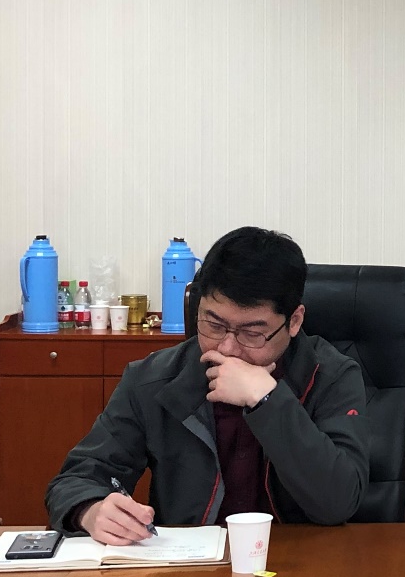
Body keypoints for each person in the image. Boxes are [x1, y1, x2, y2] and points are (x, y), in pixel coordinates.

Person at [46, 227, 371, 544]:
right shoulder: (154, 378)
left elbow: (339, 502)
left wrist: (267, 400)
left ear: (294, 321)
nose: (227, 348)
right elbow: (77, 479)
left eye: (252, 333)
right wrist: (90, 510)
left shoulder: (331, 376)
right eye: (214, 325)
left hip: (302, 562)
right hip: (188, 566)